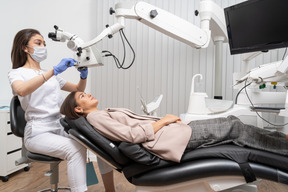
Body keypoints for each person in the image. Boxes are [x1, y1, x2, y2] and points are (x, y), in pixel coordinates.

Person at [8, 29, 115, 192]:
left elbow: (77, 89)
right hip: (38, 131)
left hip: (60, 126)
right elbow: (21, 90)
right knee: (74, 148)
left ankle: (110, 190)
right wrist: (53, 71)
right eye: (38, 43)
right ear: (24, 47)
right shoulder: (17, 73)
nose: (43, 46)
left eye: (44, 43)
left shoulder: (49, 74)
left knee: (98, 139)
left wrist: (83, 76)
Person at [60, 91, 288, 163]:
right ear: (78, 109)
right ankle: (284, 149)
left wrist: (168, 121)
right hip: (170, 140)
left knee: (233, 123)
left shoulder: (102, 113)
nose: (87, 94)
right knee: (236, 130)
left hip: (174, 132)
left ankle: (283, 141)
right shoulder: (97, 118)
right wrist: (164, 121)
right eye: (82, 96)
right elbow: (131, 136)